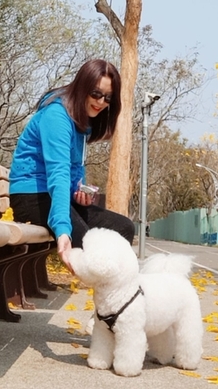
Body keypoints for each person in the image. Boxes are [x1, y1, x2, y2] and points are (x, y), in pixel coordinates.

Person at [9, 58, 135, 270]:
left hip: (56, 197)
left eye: (108, 97)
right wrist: (63, 230)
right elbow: (58, 174)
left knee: (124, 228)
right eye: (96, 93)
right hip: (31, 196)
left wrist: (79, 194)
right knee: (89, 245)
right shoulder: (56, 116)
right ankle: (111, 288)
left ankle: (118, 288)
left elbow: (74, 171)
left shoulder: (81, 122)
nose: (101, 102)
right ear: (82, 87)